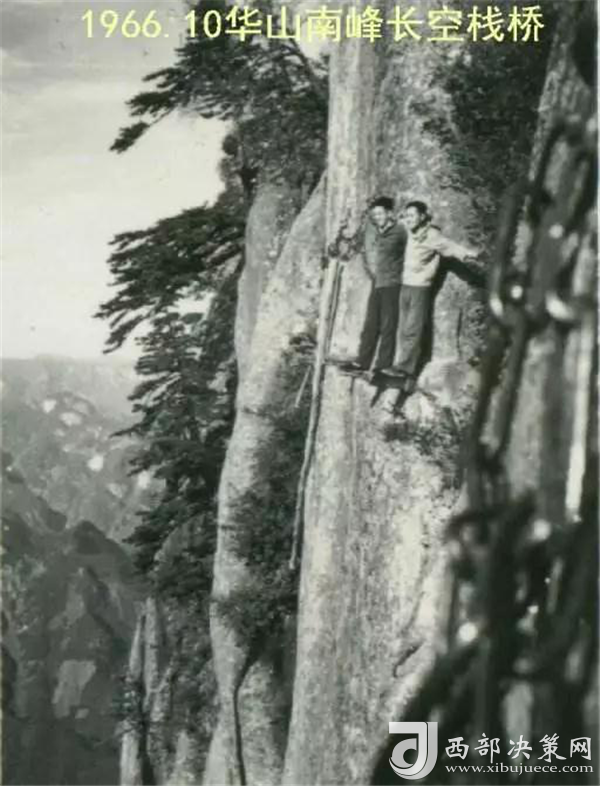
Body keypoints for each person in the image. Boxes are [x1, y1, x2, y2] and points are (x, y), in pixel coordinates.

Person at [388, 200, 479, 392]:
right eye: (406, 215)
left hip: (420, 288)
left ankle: (405, 369)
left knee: (413, 328)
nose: (409, 219)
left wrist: (470, 255)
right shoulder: (406, 230)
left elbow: (450, 246)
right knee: (403, 328)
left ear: (422, 217)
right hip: (404, 285)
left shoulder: (432, 235)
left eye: (413, 215)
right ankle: (401, 367)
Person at [339, 196, 407, 374]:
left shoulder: (400, 231)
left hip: (392, 283)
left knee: (388, 325)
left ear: (389, 214)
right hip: (377, 282)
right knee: (370, 324)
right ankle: (362, 362)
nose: (377, 217)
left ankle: (383, 365)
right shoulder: (378, 232)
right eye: (374, 215)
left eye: (380, 214)